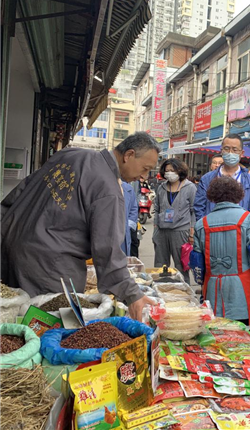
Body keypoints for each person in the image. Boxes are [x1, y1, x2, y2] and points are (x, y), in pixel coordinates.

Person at [1, 132, 159, 321]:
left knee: (12, 317)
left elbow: (21, 191)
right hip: (49, 267)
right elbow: (107, 250)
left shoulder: (71, 154)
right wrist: (132, 294)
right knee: (47, 325)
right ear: (129, 155)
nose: (144, 176)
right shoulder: (108, 189)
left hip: (12, 244)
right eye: (145, 168)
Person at [190, 176, 250, 338]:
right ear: (238, 195)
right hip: (241, 290)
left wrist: (202, 282)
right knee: (242, 338)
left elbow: (197, 264)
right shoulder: (246, 219)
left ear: (213, 196)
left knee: (215, 338)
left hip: (212, 290)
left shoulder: (202, 224)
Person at [194, 135, 250, 220]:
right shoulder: (207, 179)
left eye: (235, 150)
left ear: (242, 153)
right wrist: (206, 226)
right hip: (213, 226)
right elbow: (199, 207)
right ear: (221, 151)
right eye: (226, 148)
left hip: (239, 227)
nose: (230, 153)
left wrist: (245, 226)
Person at [153, 158, 197, 273]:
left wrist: (192, 231)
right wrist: (155, 227)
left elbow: (193, 211)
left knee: (181, 266)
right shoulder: (161, 187)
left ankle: (183, 284)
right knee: (160, 265)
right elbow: (157, 208)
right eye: (167, 170)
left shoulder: (190, 187)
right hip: (162, 231)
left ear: (180, 170)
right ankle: (161, 283)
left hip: (180, 231)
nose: (169, 173)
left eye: (172, 170)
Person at [121, 181, 138, 257]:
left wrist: (128, 226)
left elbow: (133, 209)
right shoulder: (103, 187)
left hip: (125, 231)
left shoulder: (128, 189)